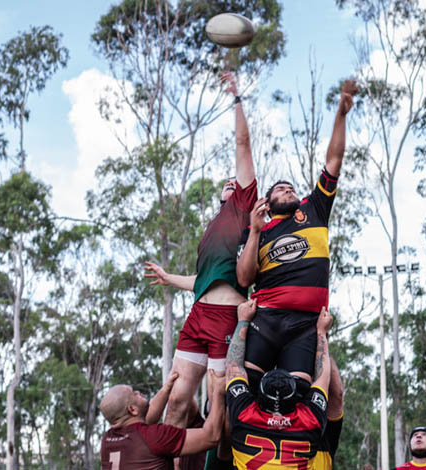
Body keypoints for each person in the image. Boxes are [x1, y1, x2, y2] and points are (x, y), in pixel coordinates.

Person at [144, 71, 257, 429]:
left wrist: (236, 97)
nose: (230, 183)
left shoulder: (244, 206)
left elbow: (242, 143)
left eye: (233, 181)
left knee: (219, 406)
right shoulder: (215, 228)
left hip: (227, 320)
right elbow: (204, 279)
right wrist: (167, 278)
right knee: (176, 401)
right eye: (225, 184)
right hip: (196, 317)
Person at [236, 79, 359, 385]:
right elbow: (244, 278)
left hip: (305, 324)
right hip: (266, 320)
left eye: (291, 187)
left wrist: (341, 115)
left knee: (300, 392)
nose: (288, 189)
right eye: (280, 188)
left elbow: (334, 160)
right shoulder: (260, 229)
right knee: (246, 390)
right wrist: (254, 232)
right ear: (268, 200)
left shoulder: (314, 208)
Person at [224, 298, 333, 469]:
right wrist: (321, 332)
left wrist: (243, 320)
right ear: (296, 400)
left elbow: (233, 366)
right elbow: (323, 377)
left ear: (258, 396)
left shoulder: (244, 414)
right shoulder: (309, 420)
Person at [99, 370, 225, 470]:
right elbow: (211, 436)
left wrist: (166, 389)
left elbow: (143, 421)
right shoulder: (154, 436)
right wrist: (218, 392)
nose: (138, 392)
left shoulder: (107, 440)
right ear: (132, 409)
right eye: (134, 394)